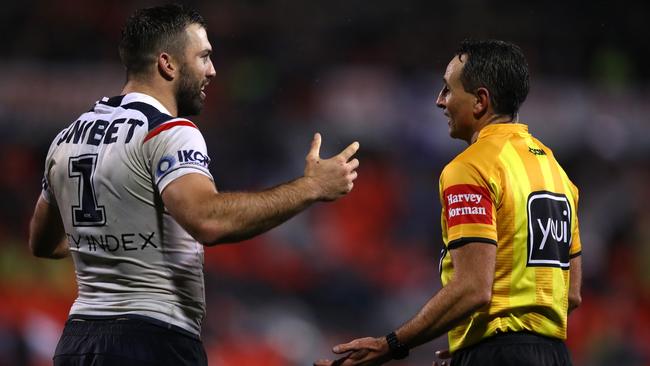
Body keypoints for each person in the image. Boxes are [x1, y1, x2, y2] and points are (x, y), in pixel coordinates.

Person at [27, 4, 360, 366]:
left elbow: (43, 243)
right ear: (168, 64)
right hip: (152, 340)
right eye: (203, 57)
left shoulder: (67, 138)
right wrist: (310, 188)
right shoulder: (169, 131)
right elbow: (208, 221)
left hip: (77, 343)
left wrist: (106, 236)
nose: (213, 71)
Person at [315, 39, 582, 366]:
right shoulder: (556, 172)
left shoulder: (471, 167)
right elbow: (571, 294)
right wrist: (478, 338)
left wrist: (391, 344)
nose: (440, 101)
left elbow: (473, 288)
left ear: (480, 101)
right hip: (555, 356)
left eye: (448, 90)